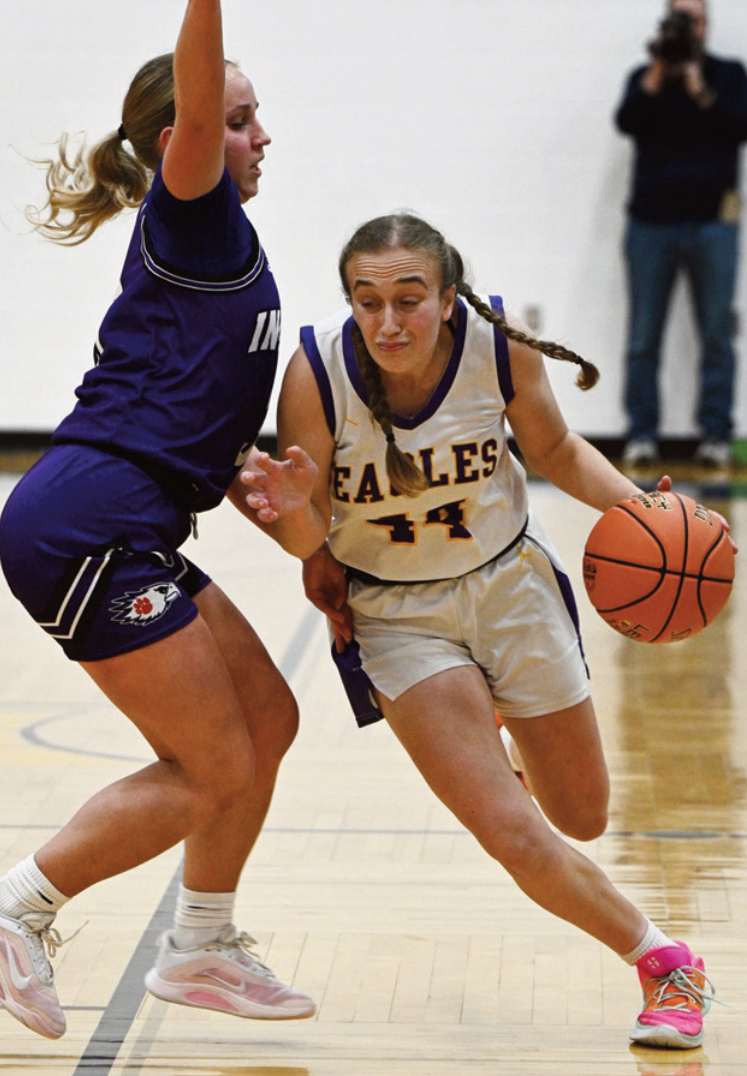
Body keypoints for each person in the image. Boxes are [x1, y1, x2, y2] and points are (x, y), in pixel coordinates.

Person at [239, 212, 724, 1050]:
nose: (388, 322)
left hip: (510, 588)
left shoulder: (497, 345)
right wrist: (288, 515)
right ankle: (666, 964)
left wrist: (643, 511)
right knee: (510, 831)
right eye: (366, 302)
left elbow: (556, 450)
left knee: (580, 816)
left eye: (408, 300)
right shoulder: (316, 373)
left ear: (447, 297)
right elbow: (305, 534)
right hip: (397, 616)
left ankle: (495, 718)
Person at [0, 0, 316, 1040]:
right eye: (237, 118)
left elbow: (200, 415)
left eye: (253, 117)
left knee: (266, 721)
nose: (259, 135)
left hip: (135, 520)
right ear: (187, 137)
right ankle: (16, 911)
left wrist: (270, 496)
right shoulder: (193, 209)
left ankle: (202, 944)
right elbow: (199, 92)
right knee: (213, 764)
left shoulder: (223, 240)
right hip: (86, 524)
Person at [614, 0, 747, 467]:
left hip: (714, 224)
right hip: (651, 225)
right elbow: (627, 121)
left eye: (693, 19)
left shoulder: (727, 75)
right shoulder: (645, 76)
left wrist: (697, 85)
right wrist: (658, 73)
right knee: (643, 338)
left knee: (717, 335)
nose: (687, 27)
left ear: (706, 25)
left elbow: (738, 125)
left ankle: (715, 434)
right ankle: (641, 434)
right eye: (679, 18)